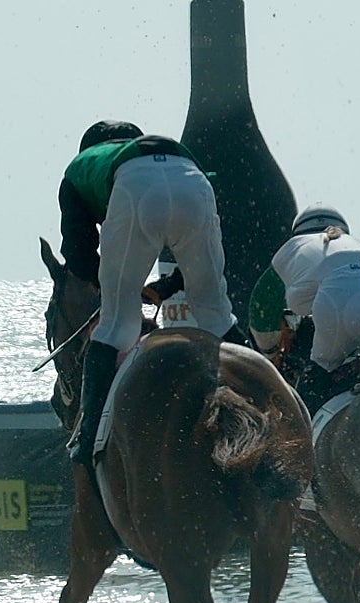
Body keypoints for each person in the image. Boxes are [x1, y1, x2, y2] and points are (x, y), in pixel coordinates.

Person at [58, 119, 249, 467]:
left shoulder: (80, 170)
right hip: (194, 179)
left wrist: (115, 290)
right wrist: (166, 286)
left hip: (137, 188)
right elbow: (194, 235)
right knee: (216, 315)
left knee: (117, 326)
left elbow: (79, 253)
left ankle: (87, 441)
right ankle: (266, 402)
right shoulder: (169, 157)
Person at [250, 203, 360, 415]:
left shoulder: (292, 249)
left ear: (297, 233)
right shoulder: (358, 244)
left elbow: (260, 309)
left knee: (318, 375)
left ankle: (305, 440)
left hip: (341, 303)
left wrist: (270, 352)